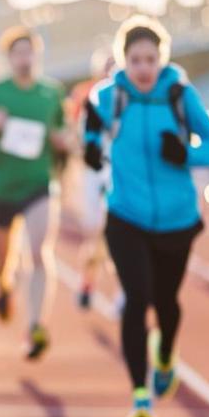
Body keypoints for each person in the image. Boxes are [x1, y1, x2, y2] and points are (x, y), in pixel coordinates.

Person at [82, 16, 209, 417]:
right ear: (122, 60)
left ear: (162, 59)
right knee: (137, 298)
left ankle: (165, 356)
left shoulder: (180, 95)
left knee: (166, 304)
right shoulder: (111, 96)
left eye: (150, 59)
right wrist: (91, 148)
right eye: (135, 60)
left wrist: (187, 154)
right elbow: (90, 124)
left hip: (177, 219)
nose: (143, 68)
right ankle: (140, 395)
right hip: (126, 215)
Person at [0, 26, 70, 360]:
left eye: (29, 52)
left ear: (38, 54)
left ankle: (36, 325)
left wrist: (63, 138)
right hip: (0, 188)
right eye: (18, 53)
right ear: (9, 58)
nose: (25, 58)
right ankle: (2, 287)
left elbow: (62, 128)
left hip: (39, 185)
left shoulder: (51, 93)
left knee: (39, 252)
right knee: (3, 260)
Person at [67, 50, 115, 310]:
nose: (111, 69)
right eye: (107, 65)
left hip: (122, 175)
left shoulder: (130, 95)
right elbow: (75, 132)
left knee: (121, 233)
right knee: (95, 234)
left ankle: (125, 293)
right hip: (93, 173)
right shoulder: (87, 94)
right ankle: (87, 281)